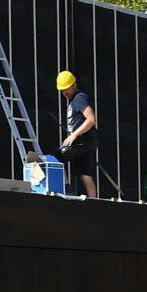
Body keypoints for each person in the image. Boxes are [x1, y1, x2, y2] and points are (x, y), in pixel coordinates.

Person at [55, 70, 99, 198]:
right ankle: (94, 203)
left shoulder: (79, 98)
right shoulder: (76, 99)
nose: (64, 92)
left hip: (82, 140)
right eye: (62, 90)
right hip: (89, 141)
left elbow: (91, 120)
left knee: (56, 157)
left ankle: (67, 188)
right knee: (86, 175)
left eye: (66, 89)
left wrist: (74, 135)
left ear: (74, 85)